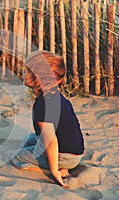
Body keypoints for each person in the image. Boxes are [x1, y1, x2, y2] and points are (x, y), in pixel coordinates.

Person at [10, 51, 84, 187]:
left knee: (16, 158)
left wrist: (54, 171)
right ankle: (59, 165)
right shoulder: (55, 95)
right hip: (74, 150)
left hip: (64, 155)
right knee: (27, 140)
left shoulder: (42, 104)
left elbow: (51, 142)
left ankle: (55, 170)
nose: (23, 74)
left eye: (27, 71)